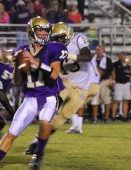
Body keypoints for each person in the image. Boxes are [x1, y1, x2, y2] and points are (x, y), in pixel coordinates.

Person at [0, 17, 67, 170]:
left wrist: (35, 62)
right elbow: (16, 81)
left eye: (45, 30)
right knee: (12, 132)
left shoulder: (55, 48)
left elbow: (55, 74)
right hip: (30, 97)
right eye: (39, 30)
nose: (43, 33)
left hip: (49, 96)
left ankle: (38, 155)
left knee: (44, 123)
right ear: (31, 32)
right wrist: (16, 65)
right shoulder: (20, 51)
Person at [24, 21, 92, 152]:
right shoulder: (53, 47)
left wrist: (68, 55)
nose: (57, 41)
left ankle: (37, 141)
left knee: (61, 119)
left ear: (67, 34)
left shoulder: (79, 38)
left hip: (82, 87)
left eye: (59, 38)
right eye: (54, 38)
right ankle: (41, 128)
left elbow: (87, 56)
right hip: (66, 80)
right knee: (56, 101)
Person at [91, 45, 114, 123]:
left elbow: (112, 71)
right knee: (95, 101)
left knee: (106, 100)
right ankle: (95, 118)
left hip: (105, 81)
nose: (99, 52)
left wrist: (113, 81)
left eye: (100, 50)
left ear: (103, 51)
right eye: (98, 50)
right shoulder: (92, 60)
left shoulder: (107, 60)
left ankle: (106, 117)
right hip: (95, 82)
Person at [111, 52, 131, 121]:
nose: (122, 57)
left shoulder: (128, 65)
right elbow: (113, 73)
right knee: (116, 100)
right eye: (121, 56)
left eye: (123, 56)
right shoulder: (115, 64)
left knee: (125, 101)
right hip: (118, 83)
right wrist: (113, 81)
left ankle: (124, 116)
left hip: (126, 83)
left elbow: (130, 75)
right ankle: (113, 116)